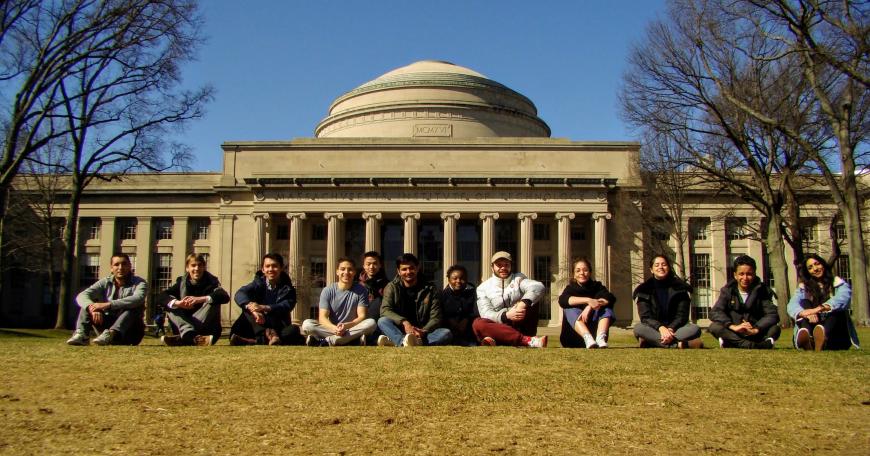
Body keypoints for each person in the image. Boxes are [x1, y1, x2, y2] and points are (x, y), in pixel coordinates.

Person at [66, 253, 147, 346]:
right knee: (88, 305)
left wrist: (108, 304)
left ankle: (112, 333)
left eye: (124, 264)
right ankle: (82, 335)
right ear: (111, 268)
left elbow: (138, 298)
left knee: (134, 307)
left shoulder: (140, 282)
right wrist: (92, 308)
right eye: (116, 264)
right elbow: (82, 295)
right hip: (105, 329)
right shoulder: (105, 282)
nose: (120, 267)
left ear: (130, 266)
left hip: (130, 332)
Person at [473, 251, 547, 348]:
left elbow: (538, 287)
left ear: (511, 266)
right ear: (492, 267)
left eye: (506, 264)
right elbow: (486, 313)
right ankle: (525, 340)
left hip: (520, 322)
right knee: (478, 323)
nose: (503, 268)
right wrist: (506, 315)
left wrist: (522, 303)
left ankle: (497, 340)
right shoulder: (483, 288)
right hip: (499, 325)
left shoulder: (519, 279)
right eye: (499, 265)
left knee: (532, 300)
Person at [787, 254, 860, 351]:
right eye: (810, 268)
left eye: (817, 264)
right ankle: (808, 338)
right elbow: (792, 304)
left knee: (836, 309)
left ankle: (822, 338)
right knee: (804, 303)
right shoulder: (804, 288)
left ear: (823, 264)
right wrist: (804, 313)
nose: (815, 269)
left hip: (835, 334)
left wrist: (818, 309)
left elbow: (842, 298)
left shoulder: (838, 283)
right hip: (813, 324)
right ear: (807, 272)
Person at [377, 253, 451, 347]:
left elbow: (436, 317)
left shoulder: (430, 289)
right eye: (404, 269)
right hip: (400, 328)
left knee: (446, 333)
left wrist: (423, 331)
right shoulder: (392, 287)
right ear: (398, 271)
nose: (408, 272)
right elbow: (385, 310)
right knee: (382, 321)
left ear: (417, 268)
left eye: (411, 268)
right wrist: (404, 322)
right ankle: (403, 341)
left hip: (422, 331)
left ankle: (403, 341)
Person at [708, 255, 780, 349]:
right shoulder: (727, 291)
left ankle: (732, 344)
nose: (745, 278)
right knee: (714, 327)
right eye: (741, 274)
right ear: (735, 275)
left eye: (749, 274)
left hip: (755, 332)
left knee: (775, 328)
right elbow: (715, 312)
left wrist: (756, 329)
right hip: (735, 332)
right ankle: (755, 346)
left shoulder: (762, 291)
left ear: (754, 274)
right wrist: (733, 326)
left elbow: (772, 314)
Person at [157, 254, 230, 346]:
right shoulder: (181, 282)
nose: (197, 268)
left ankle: (185, 338)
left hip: (205, 328)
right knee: (170, 304)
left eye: (200, 265)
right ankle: (193, 338)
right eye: (193, 265)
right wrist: (179, 303)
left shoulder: (212, 282)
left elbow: (224, 296)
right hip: (184, 323)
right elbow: (161, 296)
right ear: (187, 268)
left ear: (204, 267)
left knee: (213, 300)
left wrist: (200, 299)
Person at [230, 253, 302, 345]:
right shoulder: (257, 284)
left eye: (274, 266)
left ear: (281, 268)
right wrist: (253, 310)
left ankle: (254, 341)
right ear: (263, 270)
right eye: (267, 266)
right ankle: (270, 336)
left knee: (293, 330)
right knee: (248, 309)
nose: (271, 269)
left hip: (277, 325)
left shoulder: (288, 289)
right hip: (256, 323)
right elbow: (240, 293)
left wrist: (264, 307)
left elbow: (286, 306)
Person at [633, 254, 703, 349]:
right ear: (651, 270)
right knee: (639, 328)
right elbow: (645, 317)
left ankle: (651, 342)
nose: (660, 267)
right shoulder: (644, 290)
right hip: (654, 329)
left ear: (669, 268)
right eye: (657, 265)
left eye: (664, 264)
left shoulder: (680, 288)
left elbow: (682, 316)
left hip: (676, 329)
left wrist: (670, 329)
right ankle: (679, 344)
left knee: (695, 329)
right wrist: (661, 328)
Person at [302, 257, 376, 346]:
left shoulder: (361, 290)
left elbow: (362, 316)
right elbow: (322, 318)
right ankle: (351, 340)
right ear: (337, 272)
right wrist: (335, 329)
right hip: (332, 329)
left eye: (350, 270)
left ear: (354, 272)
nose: (346, 273)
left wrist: (346, 326)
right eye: (342, 269)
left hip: (352, 328)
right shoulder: (328, 290)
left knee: (371, 323)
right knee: (307, 324)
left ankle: (328, 341)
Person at [558, 257, 616, 349]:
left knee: (606, 308)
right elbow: (563, 300)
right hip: (573, 339)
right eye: (578, 271)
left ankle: (601, 338)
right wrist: (588, 300)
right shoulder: (570, 289)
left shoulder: (597, 287)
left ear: (590, 273)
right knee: (569, 309)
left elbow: (610, 298)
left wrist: (590, 306)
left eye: (585, 270)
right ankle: (587, 337)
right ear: (574, 274)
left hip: (595, 337)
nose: (582, 273)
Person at [439, 264, 478, 346]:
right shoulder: (442, 295)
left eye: (462, 278)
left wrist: (466, 319)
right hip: (448, 330)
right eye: (454, 278)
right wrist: (451, 320)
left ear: (466, 279)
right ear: (449, 280)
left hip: (468, 330)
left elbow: (475, 311)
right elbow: (440, 313)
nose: (458, 281)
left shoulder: (473, 293)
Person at [357, 251, 389, 345]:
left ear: (380, 265)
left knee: (379, 301)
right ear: (364, 266)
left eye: (375, 263)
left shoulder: (387, 285)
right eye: (368, 264)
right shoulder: (357, 285)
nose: (371, 267)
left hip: (379, 318)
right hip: (360, 317)